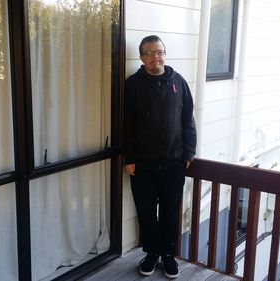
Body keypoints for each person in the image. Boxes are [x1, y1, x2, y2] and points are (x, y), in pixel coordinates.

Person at [124, 35, 197, 279]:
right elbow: (127, 124)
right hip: (142, 165)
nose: (156, 57)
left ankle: (167, 254)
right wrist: (129, 157)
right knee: (146, 211)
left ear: (165, 54)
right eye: (149, 53)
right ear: (142, 57)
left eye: (159, 52)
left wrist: (189, 152)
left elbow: (188, 120)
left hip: (173, 163)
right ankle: (151, 253)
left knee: (169, 211)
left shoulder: (179, 83)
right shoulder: (133, 85)